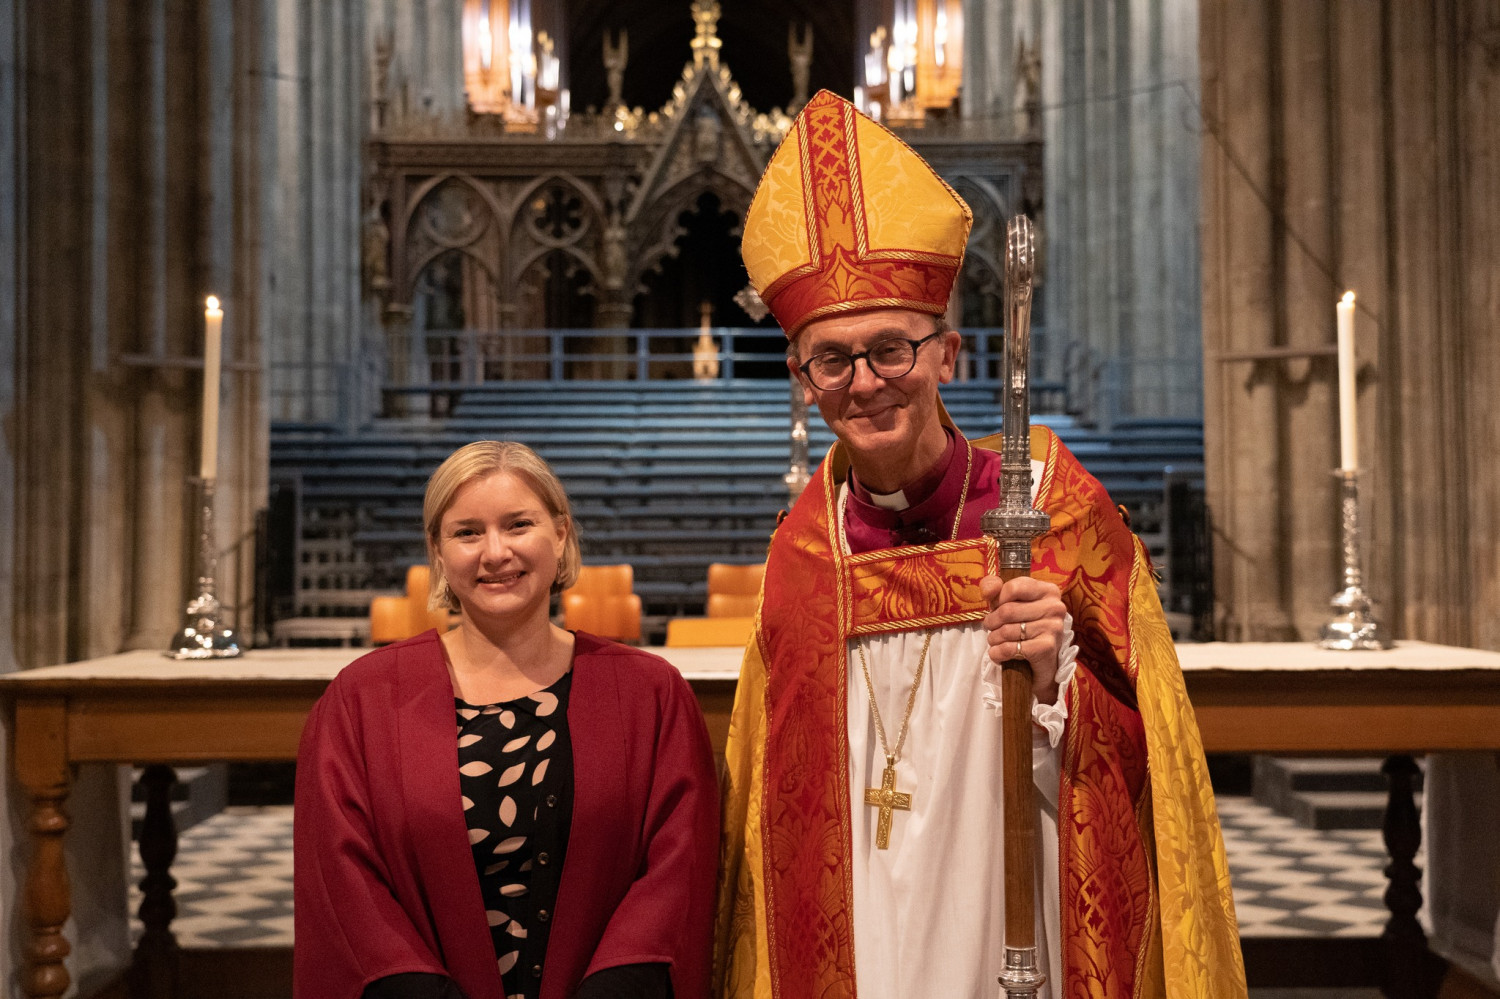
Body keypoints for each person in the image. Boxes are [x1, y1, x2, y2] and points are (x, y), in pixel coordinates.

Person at [715, 91, 1247, 999]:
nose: (867, 383)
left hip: (1022, 887)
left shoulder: (1046, 500)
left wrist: (1058, 681)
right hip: (863, 925)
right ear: (803, 382)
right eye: (831, 360)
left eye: (892, 348)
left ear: (948, 353)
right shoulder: (805, 552)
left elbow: (1148, 744)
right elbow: (776, 809)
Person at [295, 441, 719, 999]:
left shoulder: (649, 694)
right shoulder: (361, 701)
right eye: (467, 532)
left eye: (519, 525)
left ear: (561, 534)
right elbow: (342, 880)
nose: (495, 553)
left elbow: (679, 861)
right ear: (438, 551)